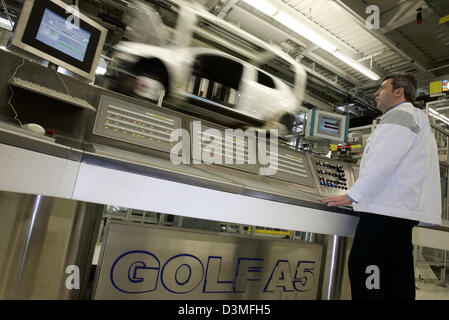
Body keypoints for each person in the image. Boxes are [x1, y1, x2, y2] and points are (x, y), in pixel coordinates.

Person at [322, 73, 441, 300]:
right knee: (397, 270)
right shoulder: (415, 118)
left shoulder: (399, 117)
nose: (377, 93)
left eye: (383, 88)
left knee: (364, 263)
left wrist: (352, 195)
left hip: (385, 209)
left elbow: (383, 161)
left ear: (399, 92)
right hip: (401, 209)